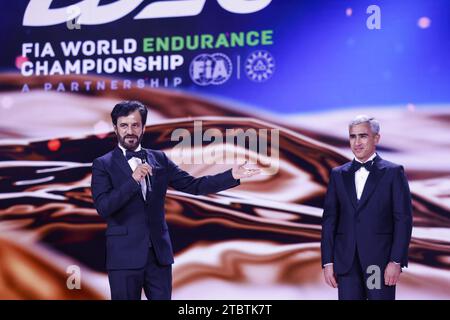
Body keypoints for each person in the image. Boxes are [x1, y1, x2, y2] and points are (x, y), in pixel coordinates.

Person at [91, 100, 260, 300]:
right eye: (124, 125)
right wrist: (132, 180)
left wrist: (231, 175)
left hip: (159, 257)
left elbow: (194, 185)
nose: (130, 131)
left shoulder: (159, 159)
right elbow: (104, 207)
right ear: (115, 128)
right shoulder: (103, 164)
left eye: (135, 125)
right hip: (124, 258)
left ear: (143, 128)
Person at [321, 115, 412, 300]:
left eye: (363, 136)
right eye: (352, 136)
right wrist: (328, 262)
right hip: (346, 264)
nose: (357, 142)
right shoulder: (338, 174)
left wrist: (396, 261)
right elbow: (330, 220)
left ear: (376, 138)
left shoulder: (393, 173)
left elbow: (403, 219)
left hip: (377, 264)